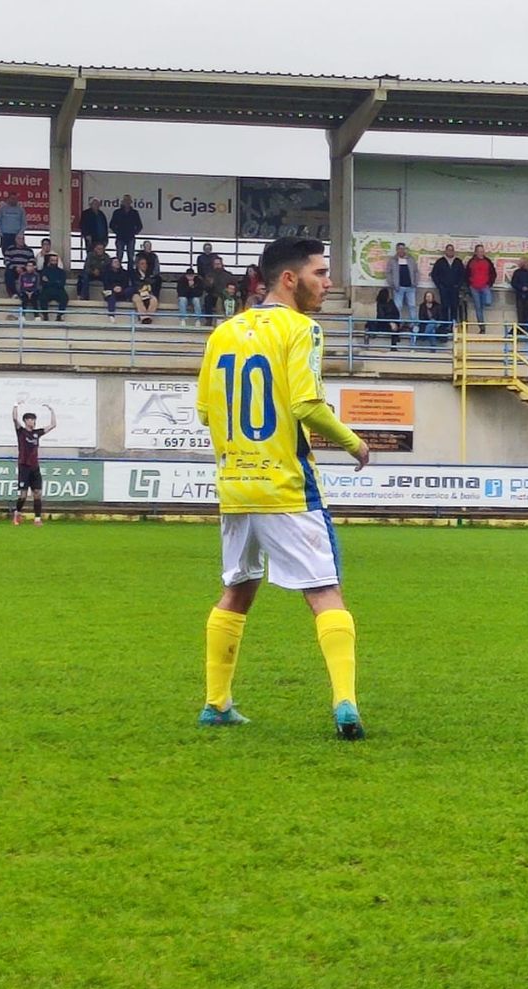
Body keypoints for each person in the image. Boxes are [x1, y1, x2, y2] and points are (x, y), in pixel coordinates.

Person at [193, 235, 372, 739]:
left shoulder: (223, 332)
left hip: (235, 487)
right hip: (286, 487)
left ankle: (216, 703)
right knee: (325, 592)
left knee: (237, 589)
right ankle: (345, 703)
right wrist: (355, 443)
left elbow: (205, 411)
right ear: (289, 279)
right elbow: (306, 405)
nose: (328, 282)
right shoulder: (302, 329)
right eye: (321, 273)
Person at [10, 403, 56, 525]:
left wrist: (51, 410)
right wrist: (15, 405)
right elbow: (14, 418)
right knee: (23, 495)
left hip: (35, 467)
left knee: (37, 493)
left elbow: (53, 425)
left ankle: (37, 519)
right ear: (25, 421)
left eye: (33, 419)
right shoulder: (21, 432)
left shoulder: (37, 433)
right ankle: (17, 513)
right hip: (24, 467)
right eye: (29, 419)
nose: (32, 421)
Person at [429, 243, 466, 326]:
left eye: (452, 250)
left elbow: (463, 275)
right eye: (448, 250)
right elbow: (434, 274)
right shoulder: (440, 261)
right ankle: (445, 325)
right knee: (444, 307)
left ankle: (453, 325)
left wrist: (458, 285)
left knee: (454, 306)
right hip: (444, 289)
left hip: (454, 289)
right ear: (445, 251)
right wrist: (439, 286)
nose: (450, 251)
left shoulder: (458, 261)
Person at [384, 242, 419, 324]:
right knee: (398, 307)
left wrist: (415, 282)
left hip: (410, 287)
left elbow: (416, 271)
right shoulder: (392, 260)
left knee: (412, 306)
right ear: (396, 250)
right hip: (398, 288)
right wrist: (392, 284)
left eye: (403, 249)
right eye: (399, 249)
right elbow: (388, 273)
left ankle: (413, 324)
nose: (401, 251)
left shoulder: (411, 259)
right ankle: (398, 324)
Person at [466, 244, 497, 333]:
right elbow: (467, 274)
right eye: (479, 251)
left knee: (488, 302)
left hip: (485, 286)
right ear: (475, 252)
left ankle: (483, 302)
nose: (481, 253)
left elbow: (493, 273)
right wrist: (469, 284)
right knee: (478, 309)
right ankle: (482, 328)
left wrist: (489, 283)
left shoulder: (487, 261)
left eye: (482, 251)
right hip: (474, 287)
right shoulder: (471, 262)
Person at [129, 254, 162, 323]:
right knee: (137, 298)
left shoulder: (149, 274)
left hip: (147, 293)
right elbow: (133, 285)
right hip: (136, 293)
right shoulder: (133, 273)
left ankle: (148, 317)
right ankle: (144, 317)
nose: (144, 265)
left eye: (145, 264)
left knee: (154, 300)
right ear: (138, 265)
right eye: (142, 264)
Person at [110, 195, 143, 264]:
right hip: (120, 237)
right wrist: (117, 232)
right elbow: (111, 224)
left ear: (131, 202)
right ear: (122, 202)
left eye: (128, 201)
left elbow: (139, 225)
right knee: (119, 256)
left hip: (130, 238)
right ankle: (118, 270)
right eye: (125, 200)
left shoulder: (134, 213)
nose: (127, 202)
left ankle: (130, 270)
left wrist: (134, 232)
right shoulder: (117, 212)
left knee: (131, 257)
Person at [36, 253, 68, 321]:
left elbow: (62, 284)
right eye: (52, 260)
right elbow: (43, 283)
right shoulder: (44, 271)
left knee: (65, 298)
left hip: (59, 290)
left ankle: (59, 316)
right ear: (49, 261)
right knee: (42, 298)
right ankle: (45, 316)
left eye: (55, 260)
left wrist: (49, 281)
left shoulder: (61, 272)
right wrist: (55, 281)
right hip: (47, 290)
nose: (54, 262)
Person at [3, 234, 35, 299]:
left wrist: (24, 268)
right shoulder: (10, 249)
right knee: (8, 273)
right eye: (19, 239)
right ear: (16, 240)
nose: (21, 240)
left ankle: (26, 294)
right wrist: (15, 268)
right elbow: (6, 260)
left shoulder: (29, 250)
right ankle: (14, 293)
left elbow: (32, 261)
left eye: (23, 239)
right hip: (13, 270)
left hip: (25, 270)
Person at [100, 255, 129, 320]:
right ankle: (111, 315)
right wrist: (113, 288)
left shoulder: (124, 272)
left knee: (130, 290)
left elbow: (126, 283)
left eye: (118, 262)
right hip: (110, 291)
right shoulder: (106, 273)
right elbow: (106, 284)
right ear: (111, 264)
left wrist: (121, 288)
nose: (117, 263)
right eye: (115, 262)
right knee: (111, 296)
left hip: (121, 291)